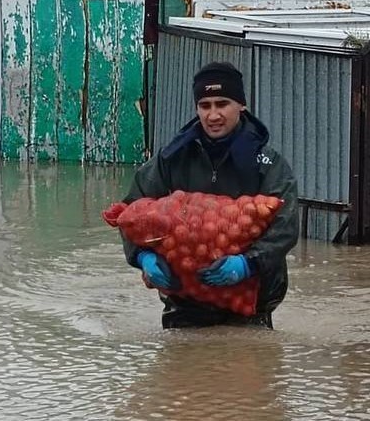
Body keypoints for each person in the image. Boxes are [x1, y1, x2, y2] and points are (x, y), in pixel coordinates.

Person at [120, 61, 299, 329]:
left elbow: (286, 225)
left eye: (222, 103)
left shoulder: (266, 163)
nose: (213, 115)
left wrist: (247, 264)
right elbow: (131, 212)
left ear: (241, 105)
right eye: (205, 106)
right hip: (185, 303)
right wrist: (143, 257)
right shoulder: (172, 158)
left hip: (253, 303)